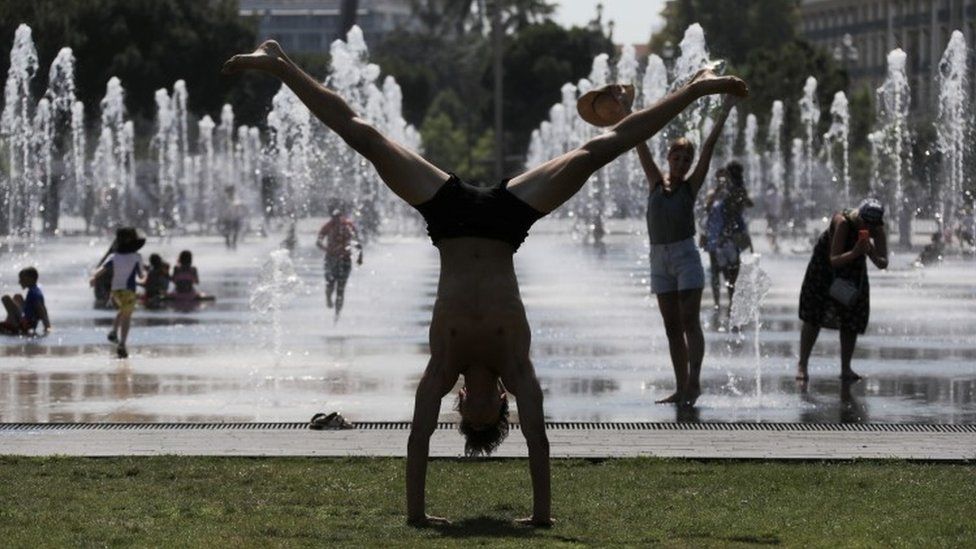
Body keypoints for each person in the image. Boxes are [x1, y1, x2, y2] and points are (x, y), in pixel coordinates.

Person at [223, 40, 747, 526]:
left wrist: (417, 516)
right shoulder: (517, 369)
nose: (474, 403)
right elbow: (538, 442)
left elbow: (417, 440)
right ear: (501, 403)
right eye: (486, 409)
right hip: (504, 221)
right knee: (596, 153)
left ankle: (280, 65)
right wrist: (542, 517)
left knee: (367, 137)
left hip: (447, 218)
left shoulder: (441, 368)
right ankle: (696, 87)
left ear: (459, 405)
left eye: (467, 409)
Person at [595, 89, 739, 406]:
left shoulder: (691, 185)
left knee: (689, 320)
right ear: (669, 158)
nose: (683, 162)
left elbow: (709, 148)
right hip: (659, 259)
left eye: (687, 159)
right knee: (672, 326)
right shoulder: (655, 182)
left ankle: (695, 382)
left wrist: (726, 110)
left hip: (686, 256)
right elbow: (639, 142)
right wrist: (628, 109)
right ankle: (680, 386)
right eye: (678, 157)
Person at [796, 198, 888, 381]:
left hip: (853, 267)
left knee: (852, 315)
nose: (868, 229)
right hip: (824, 266)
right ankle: (802, 365)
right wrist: (855, 252)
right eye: (865, 224)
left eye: (872, 226)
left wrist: (870, 251)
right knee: (814, 314)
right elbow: (834, 259)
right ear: (860, 218)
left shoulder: (877, 230)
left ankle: (846, 368)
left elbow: (883, 263)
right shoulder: (844, 223)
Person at [91, 228, 145, 358]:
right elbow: (141, 275)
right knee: (127, 316)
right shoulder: (137, 257)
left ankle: (114, 332)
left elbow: (101, 270)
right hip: (129, 291)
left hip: (115, 291)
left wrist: (93, 278)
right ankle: (122, 344)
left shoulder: (113, 256)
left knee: (123, 310)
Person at [317, 206, 363, 321]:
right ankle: (328, 297)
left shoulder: (348, 226)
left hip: (345, 260)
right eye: (334, 218)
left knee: (341, 289)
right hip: (331, 259)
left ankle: (337, 315)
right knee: (330, 283)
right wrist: (327, 250)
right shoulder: (328, 226)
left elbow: (357, 242)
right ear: (332, 218)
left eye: (338, 218)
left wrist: (359, 257)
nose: (337, 221)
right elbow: (318, 241)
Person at [1, 267, 51, 336]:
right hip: (26, 320)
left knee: (6, 298)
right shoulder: (34, 290)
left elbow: (41, 309)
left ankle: (14, 324)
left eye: (21, 279)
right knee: (18, 297)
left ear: (30, 279)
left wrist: (47, 326)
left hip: (26, 324)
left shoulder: (34, 293)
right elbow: (43, 308)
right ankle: (10, 321)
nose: (19, 282)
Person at [219, 185, 247, 250]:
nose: (231, 192)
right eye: (229, 191)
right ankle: (229, 243)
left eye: (232, 191)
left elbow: (239, 206)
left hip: (235, 217)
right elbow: (222, 208)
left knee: (235, 231)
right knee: (227, 231)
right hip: (228, 218)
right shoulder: (225, 199)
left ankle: (233, 243)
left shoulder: (235, 198)